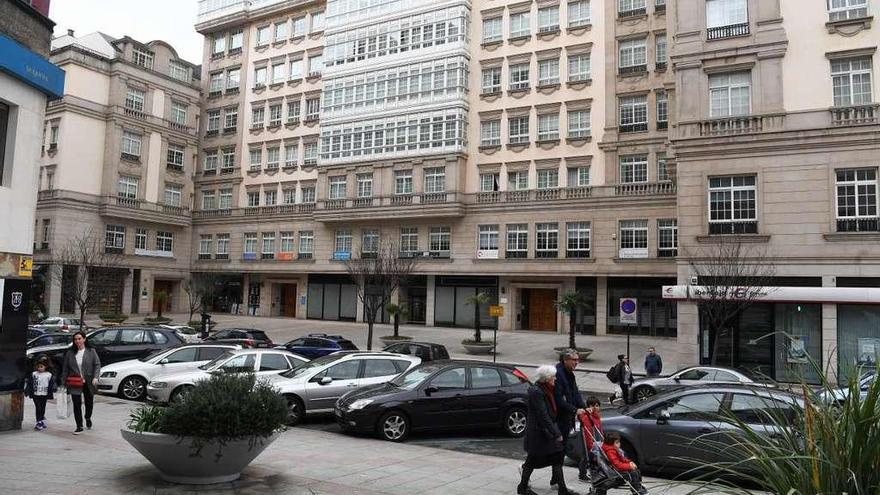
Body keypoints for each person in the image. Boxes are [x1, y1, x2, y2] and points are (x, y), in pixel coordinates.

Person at [519, 365, 580, 495]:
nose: (555, 378)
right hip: (539, 433)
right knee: (531, 460)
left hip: (545, 431)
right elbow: (543, 415)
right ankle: (523, 487)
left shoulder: (546, 388)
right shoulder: (537, 392)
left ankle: (561, 489)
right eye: (553, 376)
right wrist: (556, 433)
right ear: (546, 378)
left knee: (557, 458)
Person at [553, 349, 586, 486]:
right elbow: (558, 400)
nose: (577, 362)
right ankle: (527, 468)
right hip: (558, 419)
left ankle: (556, 481)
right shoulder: (558, 374)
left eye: (578, 360)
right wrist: (575, 410)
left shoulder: (569, 374)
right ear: (565, 360)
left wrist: (584, 408)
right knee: (555, 451)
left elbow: (575, 393)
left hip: (566, 418)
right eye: (574, 360)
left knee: (560, 450)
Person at [61, 331, 101, 434]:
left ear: (84, 339)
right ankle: (79, 426)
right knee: (76, 404)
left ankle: (87, 417)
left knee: (89, 403)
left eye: (79, 339)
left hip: (88, 381)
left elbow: (97, 365)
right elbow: (65, 368)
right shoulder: (70, 353)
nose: (77, 341)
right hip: (74, 382)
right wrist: (63, 382)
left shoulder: (91, 351)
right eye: (75, 339)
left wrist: (96, 377)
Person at [23, 356, 56, 430]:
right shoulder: (34, 374)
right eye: (38, 367)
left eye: (41, 366)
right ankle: (39, 421)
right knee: (38, 407)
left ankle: (41, 420)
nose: (40, 368)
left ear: (46, 367)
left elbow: (52, 384)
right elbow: (30, 383)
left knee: (42, 407)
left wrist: (54, 389)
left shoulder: (49, 375)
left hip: (44, 394)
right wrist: (27, 390)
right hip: (35, 394)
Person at [576, 396, 603, 481]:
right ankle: (582, 474)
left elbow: (600, 428)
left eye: (597, 405)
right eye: (593, 406)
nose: (595, 408)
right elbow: (587, 433)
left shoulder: (597, 416)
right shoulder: (587, 417)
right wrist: (590, 445)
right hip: (589, 441)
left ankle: (594, 472)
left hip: (596, 440)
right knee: (586, 457)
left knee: (594, 457)